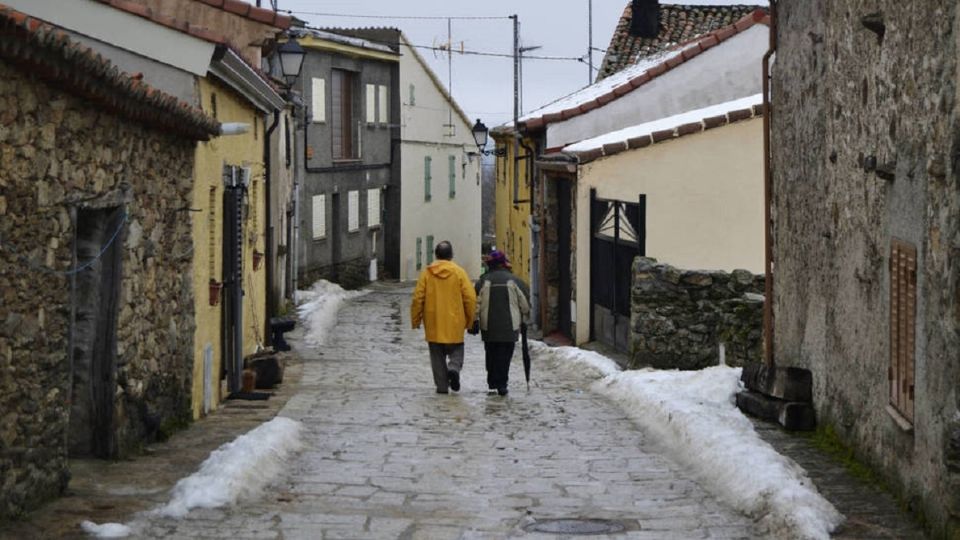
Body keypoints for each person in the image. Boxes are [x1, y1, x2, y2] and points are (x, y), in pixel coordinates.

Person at [410, 240, 477, 394]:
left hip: (434, 323)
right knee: (457, 350)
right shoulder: (459, 272)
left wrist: (416, 320)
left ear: (436, 255)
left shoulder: (427, 273)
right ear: (451, 255)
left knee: (437, 357)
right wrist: (471, 319)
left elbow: (418, 298)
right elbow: (470, 298)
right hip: (455, 323)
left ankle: (441, 387)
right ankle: (453, 367)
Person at [472, 250, 530, 396]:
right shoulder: (514, 281)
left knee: (491, 353)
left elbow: (475, 304)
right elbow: (525, 304)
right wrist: (524, 314)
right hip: (509, 326)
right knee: (505, 355)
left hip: (488, 325)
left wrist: (473, 320)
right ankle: (502, 383)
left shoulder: (483, 281)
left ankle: (492, 381)